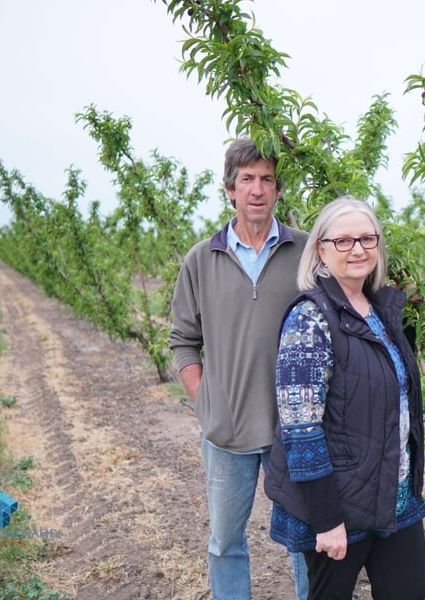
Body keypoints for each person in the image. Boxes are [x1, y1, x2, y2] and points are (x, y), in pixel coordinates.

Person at [264, 196, 425, 599]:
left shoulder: (382, 310)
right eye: (343, 241)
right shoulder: (309, 320)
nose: (357, 249)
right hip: (339, 505)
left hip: (394, 495)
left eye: (367, 239)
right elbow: (301, 429)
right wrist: (326, 519)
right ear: (321, 249)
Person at [169, 136, 309, 600]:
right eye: (247, 179)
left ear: (278, 189)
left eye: (267, 179)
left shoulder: (306, 253)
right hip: (226, 433)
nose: (257, 189)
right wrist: (206, 402)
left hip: (294, 430)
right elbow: (183, 341)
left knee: (306, 539)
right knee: (225, 542)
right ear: (230, 189)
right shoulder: (201, 259)